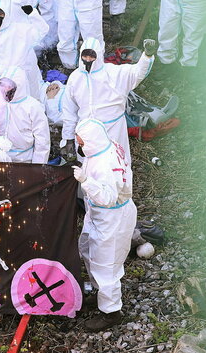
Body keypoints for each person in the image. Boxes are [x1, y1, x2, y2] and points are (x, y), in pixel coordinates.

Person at [72, 118, 137, 331]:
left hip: (112, 218)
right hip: (98, 214)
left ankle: (111, 313)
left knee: (106, 265)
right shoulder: (102, 148)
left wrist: (85, 181)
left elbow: (108, 197)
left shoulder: (105, 163)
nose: (80, 147)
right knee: (88, 251)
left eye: (82, 144)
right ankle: (100, 294)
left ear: (92, 141)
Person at [60, 38, 157, 165]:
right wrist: (68, 138)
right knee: (89, 169)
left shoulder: (113, 73)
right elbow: (69, 111)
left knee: (115, 165)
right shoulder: (75, 78)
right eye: (85, 55)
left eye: (92, 56)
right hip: (87, 132)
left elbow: (137, 73)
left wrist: (147, 55)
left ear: (99, 55)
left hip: (112, 129)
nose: (88, 59)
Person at [0, 6, 48, 100]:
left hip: (18, 82)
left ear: (6, 16)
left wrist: (33, 14)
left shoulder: (19, 30)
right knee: (1, 112)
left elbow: (42, 30)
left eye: (0, 14)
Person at [0, 74, 50, 163]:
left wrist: (37, 167)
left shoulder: (32, 106)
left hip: (24, 161)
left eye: (9, 86)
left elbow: (42, 140)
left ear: (18, 86)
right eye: (3, 86)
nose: (5, 89)